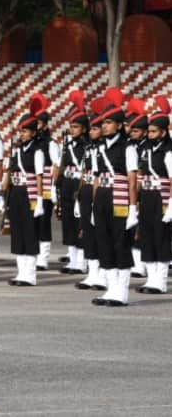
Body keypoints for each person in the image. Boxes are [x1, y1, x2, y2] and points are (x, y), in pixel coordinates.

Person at [89, 88, 138, 307]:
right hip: (102, 198)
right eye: (103, 122)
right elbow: (97, 178)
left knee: (120, 243)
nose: (104, 126)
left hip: (119, 198)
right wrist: (93, 205)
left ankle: (121, 291)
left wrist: (133, 208)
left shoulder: (128, 148)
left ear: (119, 125)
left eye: (109, 123)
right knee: (104, 242)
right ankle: (110, 288)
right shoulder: (99, 149)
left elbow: (132, 180)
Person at [3, 106, 45, 287]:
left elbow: (39, 177)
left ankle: (30, 273)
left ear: (34, 133)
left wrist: (39, 201)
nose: (22, 134)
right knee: (18, 232)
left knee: (29, 232)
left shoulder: (37, 151)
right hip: (16, 192)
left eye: (26, 131)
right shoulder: (16, 151)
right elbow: (9, 173)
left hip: (30, 193)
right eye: (21, 131)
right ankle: (21, 272)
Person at [135, 96, 172, 294]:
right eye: (148, 131)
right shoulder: (146, 149)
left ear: (164, 132)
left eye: (153, 131)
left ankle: (161, 280)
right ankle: (151, 278)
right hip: (147, 196)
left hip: (162, 197)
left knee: (161, 237)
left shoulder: (168, 151)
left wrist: (171, 205)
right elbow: (140, 175)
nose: (149, 135)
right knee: (147, 236)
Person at [57, 91, 91, 275]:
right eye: (71, 126)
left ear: (84, 128)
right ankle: (72, 258)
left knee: (80, 223)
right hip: (68, 184)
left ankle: (82, 261)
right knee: (68, 222)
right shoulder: (68, 144)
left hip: (80, 184)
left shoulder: (88, 146)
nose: (72, 129)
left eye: (76, 126)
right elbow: (62, 166)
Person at [76, 101, 107, 291]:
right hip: (86, 191)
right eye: (92, 128)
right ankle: (92, 272)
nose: (92, 132)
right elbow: (83, 174)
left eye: (96, 128)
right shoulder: (88, 148)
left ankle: (103, 273)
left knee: (101, 233)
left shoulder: (104, 148)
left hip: (101, 192)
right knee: (87, 232)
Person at [32, 94, 59, 271]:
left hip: (46, 188)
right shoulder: (30, 142)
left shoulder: (50, 143)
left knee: (43, 221)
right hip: (31, 187)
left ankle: (43, 256)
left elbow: (56, 165)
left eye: (38, 124)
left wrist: (53, 187)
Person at [125, 98, 149, 279]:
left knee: (142, 228)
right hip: (130, 191)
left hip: (144, 190)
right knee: (132, 228)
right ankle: (135, 262)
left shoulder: (147, 147)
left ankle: (141, 264)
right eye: (131, 129)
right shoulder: (130, 145)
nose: (132, 133)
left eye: (136, 130)